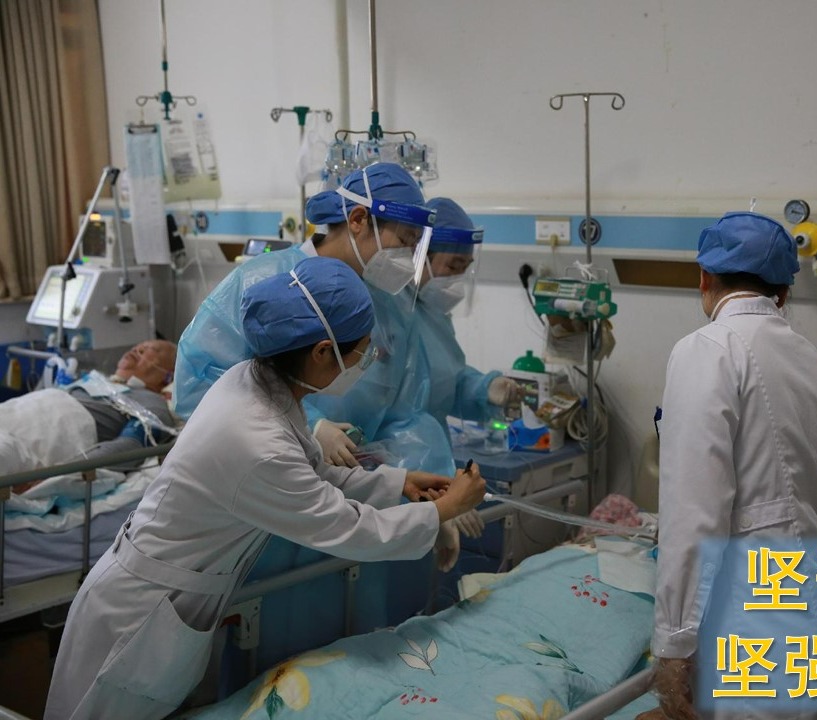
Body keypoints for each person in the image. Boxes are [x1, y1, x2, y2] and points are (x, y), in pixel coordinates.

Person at [44, 257, 487, 720]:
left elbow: (314, 475)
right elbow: (349, 529)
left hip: (166, 602)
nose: (368, 360)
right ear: (322, 352)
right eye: (362, 351)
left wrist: (399, 481)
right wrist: (445, 510)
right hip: (136, 619)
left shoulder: (259, 384)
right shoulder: (257, 439)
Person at [641, 213, 817, 719]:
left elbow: (693, 513)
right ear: (783, 294)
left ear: (704, 279)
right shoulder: (808, 355)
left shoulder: (707, 349)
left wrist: (674, 645)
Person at [173, 162, 434, 420]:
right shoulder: (265, 280)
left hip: (361, 448)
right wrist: (308, 425)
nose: (408, 256)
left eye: (414, 245)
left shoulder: (390, 303)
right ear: (357, 219)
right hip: (266, 444)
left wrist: (389, 448)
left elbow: (407, 407)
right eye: (404, 240)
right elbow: (199, 380)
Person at [415, 198, 522, 441]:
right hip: (389, 453)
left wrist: (485, 389)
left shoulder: (434, 316)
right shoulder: (389, 316)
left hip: (429, 449)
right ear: (419, 257)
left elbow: (445, 386)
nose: (457, 279)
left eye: (465, 268)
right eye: (453, 267)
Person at [0, 340, 178, 484]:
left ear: (168, 376)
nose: (137, 349)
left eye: (151, 350)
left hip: (41, 435)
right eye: (138, 346)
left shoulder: (151, 402)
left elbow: (130, 446)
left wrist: (56, 474)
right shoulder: (94, 382)